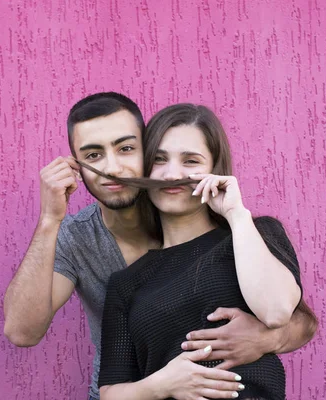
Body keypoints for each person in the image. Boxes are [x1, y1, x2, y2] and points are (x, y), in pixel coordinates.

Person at [3, 93, 317, 400]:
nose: (112, 168)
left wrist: (266, 338)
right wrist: (49, 219)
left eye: (126, 148)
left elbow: (296, 318)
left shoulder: (242, 234)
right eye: (94, 155)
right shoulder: (87, 247)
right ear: (77, 166)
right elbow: (22, 332)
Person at [97, 103, 310, 400]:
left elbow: (276, 312)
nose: (172, 174)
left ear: (214, 170)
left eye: (191, 161)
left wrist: (236, 214)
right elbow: (110, 393)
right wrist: (163, 385)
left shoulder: (253, 234)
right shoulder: (127, 283)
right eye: (159, 159)